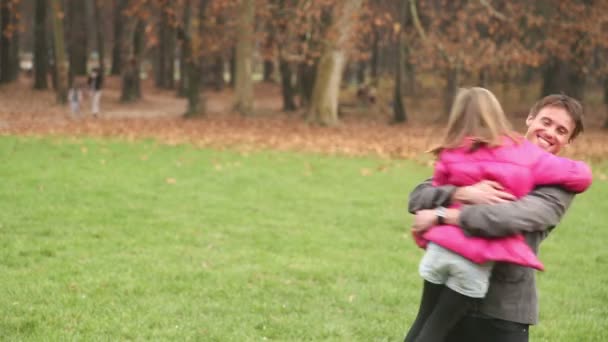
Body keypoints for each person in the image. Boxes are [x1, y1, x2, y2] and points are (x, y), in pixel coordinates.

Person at [403, 88, 592, 342]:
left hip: (502, 313)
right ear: (530, 119)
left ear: (568, 142)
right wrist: (461, 192)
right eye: (546, 122)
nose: (550, 133)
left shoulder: (559, 186)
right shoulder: (494, 150)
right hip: (450, 292)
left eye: (561, 131)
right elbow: (419, 195)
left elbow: (508, 218)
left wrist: (441, 216)